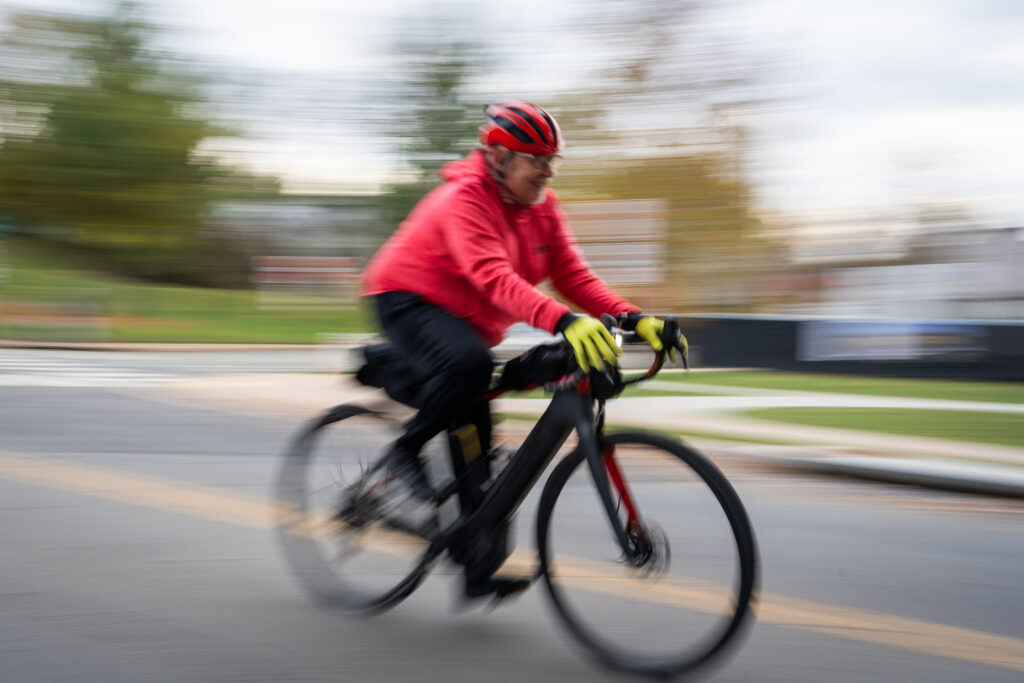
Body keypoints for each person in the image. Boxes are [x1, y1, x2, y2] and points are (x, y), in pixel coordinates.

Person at [360, 101, 686, 599]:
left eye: (551, 159)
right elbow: (492, 276)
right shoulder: (464, 200)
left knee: (479, 453)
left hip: (468, 324)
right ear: (497, 157)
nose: (547, 169)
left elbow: (573, 275)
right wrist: (564, 321)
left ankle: (474, 567)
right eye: (535, 158)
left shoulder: (545, 209)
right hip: (406, 297)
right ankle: (404, 450)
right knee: (469, 365)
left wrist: (634, 317)